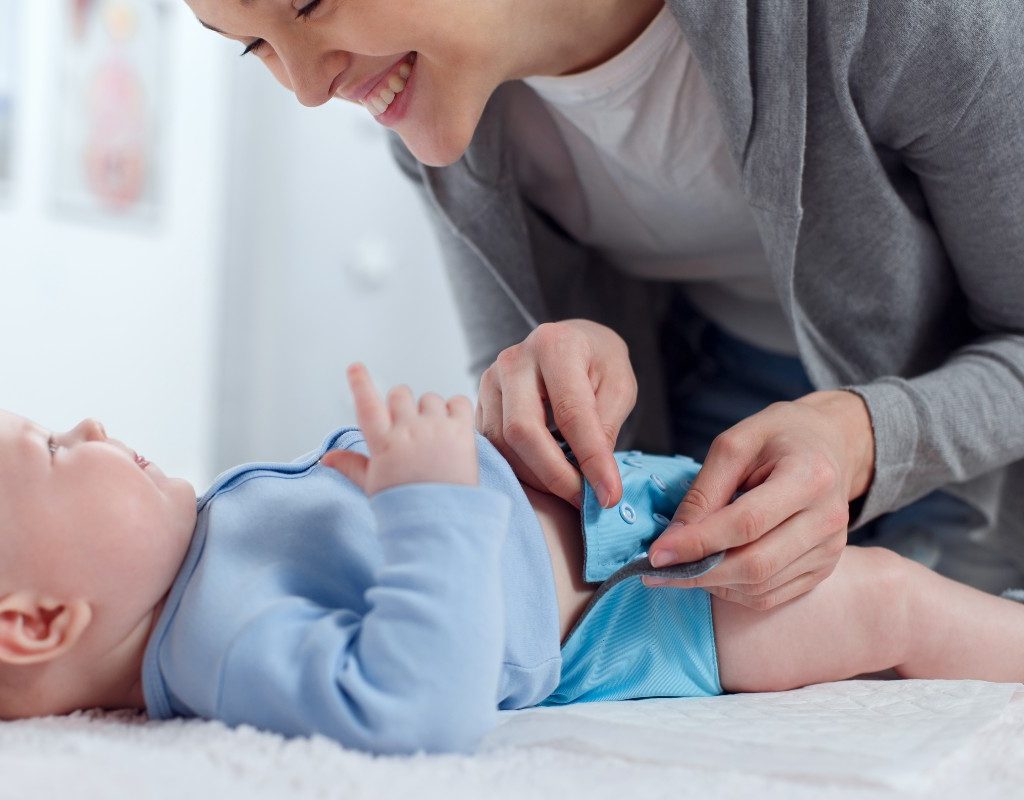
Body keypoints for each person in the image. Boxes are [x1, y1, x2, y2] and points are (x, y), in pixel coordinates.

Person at [183, 0, 1024, 609]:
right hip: (711, 434)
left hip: (970, 454)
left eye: (310, 2)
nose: (304, 88)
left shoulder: (904, 18)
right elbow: (517, 395)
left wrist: (861, 437)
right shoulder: (440, 112)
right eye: (252, 42)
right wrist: (546, 378)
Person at [1, 364, 1023, 755]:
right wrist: (430, 498)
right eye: (51, 449)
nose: (85, 421)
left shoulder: (193, 554)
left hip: (610, 508)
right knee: (890, 601)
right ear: (38, 619)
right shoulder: (220, 651)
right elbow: (415, 703)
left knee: (866, 540)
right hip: (638, 609)